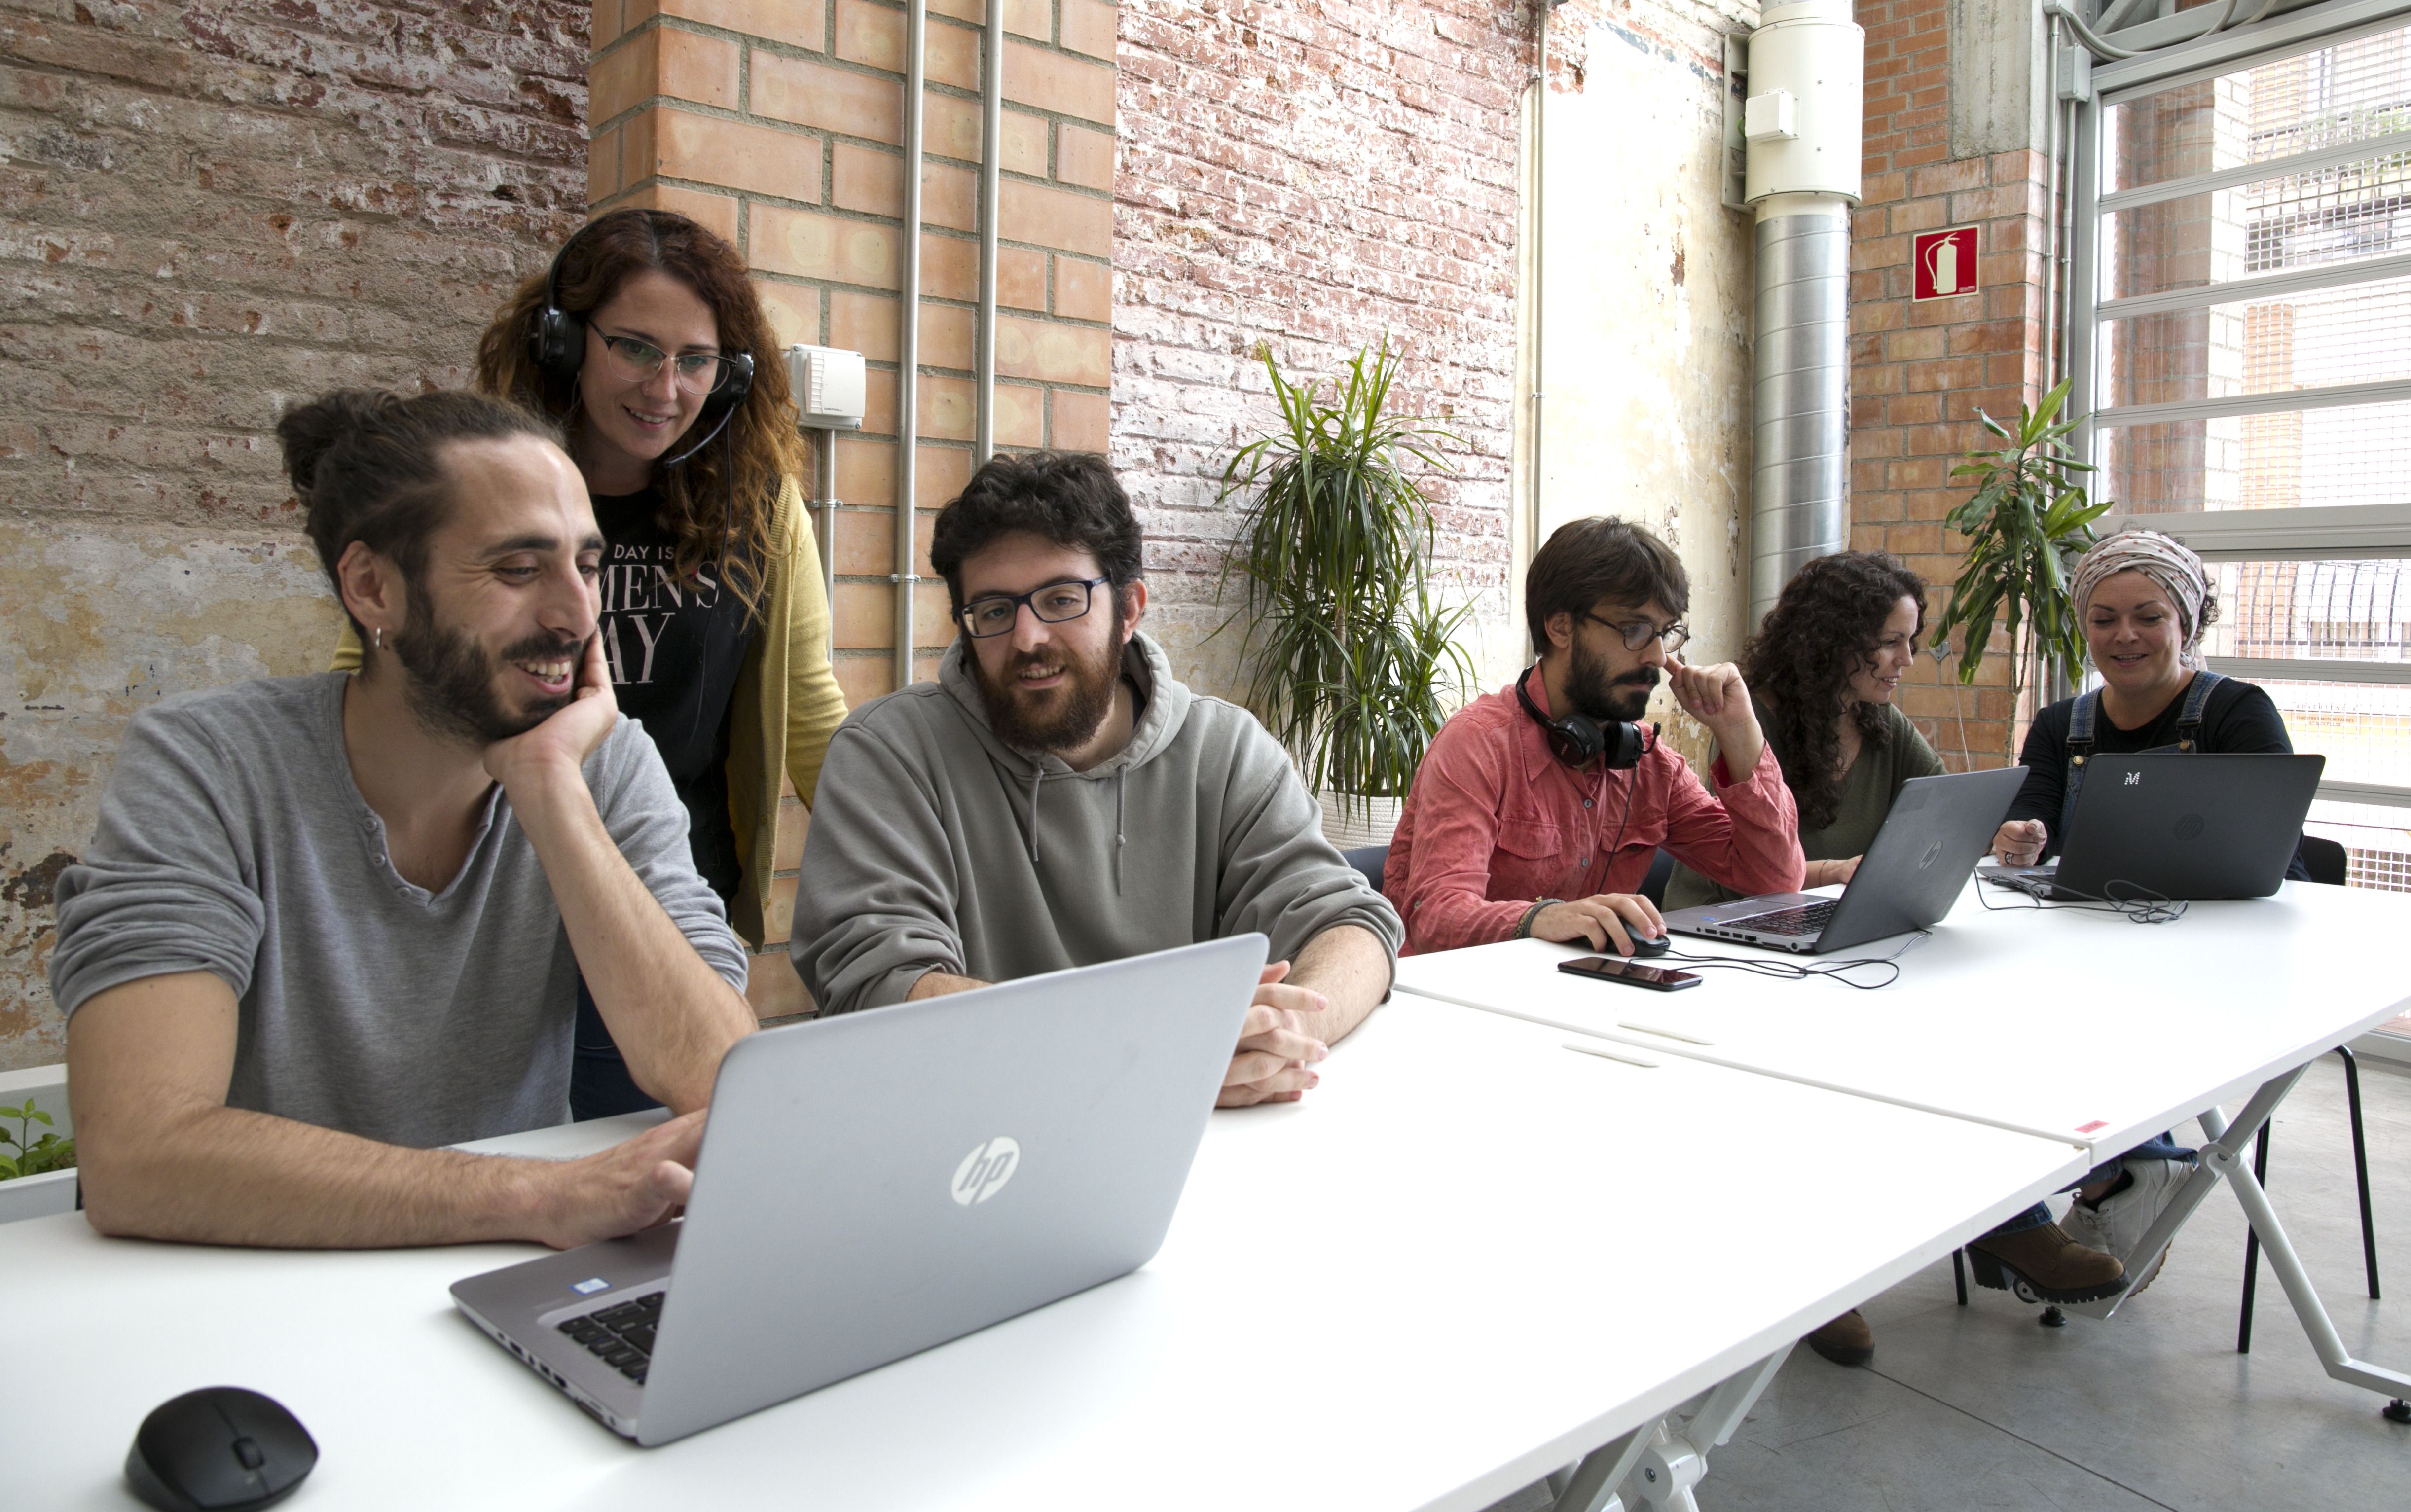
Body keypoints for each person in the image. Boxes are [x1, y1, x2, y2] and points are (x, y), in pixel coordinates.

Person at [53, 390, 758, 1248]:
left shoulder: (599, 761)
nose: (577, 617)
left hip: (490, 1283)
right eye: (516, 569)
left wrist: (548, 788)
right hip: (251, 1283)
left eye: (586, 565)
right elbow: (140, 1156)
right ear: (373, 588)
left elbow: (719, 1073)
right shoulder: (210, 765)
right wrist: (536, 1197)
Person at [332, 208, 847, 1119]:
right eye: (637, 349)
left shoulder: (759, 508)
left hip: (659, 888)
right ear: (563, 341)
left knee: (645, 1177)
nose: (667, 387)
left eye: (697, 361)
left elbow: (810, 716)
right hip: (491, 901)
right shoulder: (481, 485)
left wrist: (913, 835)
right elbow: (377, 669)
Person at [787, 452, 1401, 1106]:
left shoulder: (1224, 752)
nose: (1028, 637)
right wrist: (1146, 1053)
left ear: (1129, 607)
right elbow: (883, 987)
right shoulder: (889, 755)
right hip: (967, 1140)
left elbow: (1350, 924)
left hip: (1199, 1150)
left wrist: (1288, 1027)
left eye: (1061, 598)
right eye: (994, 610)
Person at [1979, 527, 2308, 1291]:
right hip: (2089, 943)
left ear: (2187, 623)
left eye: (2148, 615)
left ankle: (2112, 1175)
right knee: (1988, 1012)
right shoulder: (2065, 725)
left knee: (2052, 1021)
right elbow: (2029, 830)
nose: (2124, 635)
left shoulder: (2236, 713)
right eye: (2103, 618)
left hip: (2211, 957)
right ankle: (2119, 1175)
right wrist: (2019, 838)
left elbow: (2282, 866)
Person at [1382, 516, 1804, 959]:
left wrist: (1739, 731)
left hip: (1582, 1000)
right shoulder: (1478, 744)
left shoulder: (1649, 761)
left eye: (1665, 633)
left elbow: (1775, 880)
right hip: (1457, 1007)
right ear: (1560, 627)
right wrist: (1540, 919)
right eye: (1634, 629)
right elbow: (1435, 919)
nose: (1658, 657)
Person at [1663, 551, 1945, 909]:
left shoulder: (1882, 722)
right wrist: (1835, 871)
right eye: (1891, 642)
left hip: (1825, 912)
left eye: (1910, 641)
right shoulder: (1750, 723)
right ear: (1836, 640)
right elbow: (1741, 877)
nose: (1906, 659)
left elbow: (1945, 806)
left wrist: (1998, 835)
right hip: (1722, 924)